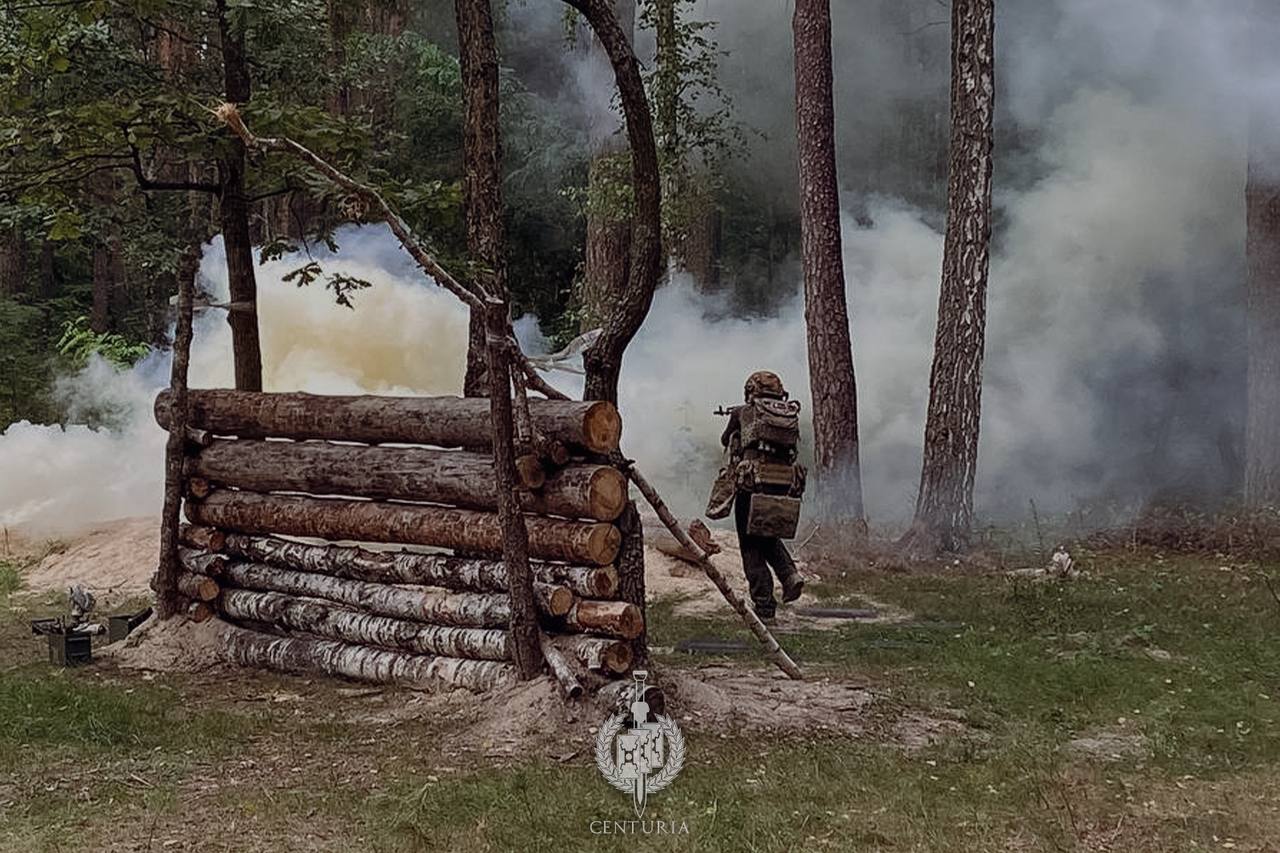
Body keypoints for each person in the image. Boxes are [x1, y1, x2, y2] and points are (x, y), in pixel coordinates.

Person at [718, 370, 804, 621]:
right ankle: (789, 575)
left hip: (752, 482)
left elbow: (726, 439)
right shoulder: (788, 411)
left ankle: (765, 605)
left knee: (750, 545)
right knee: (767, 535)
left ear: (750, 390)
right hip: (784, 483)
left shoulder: (743, 412)